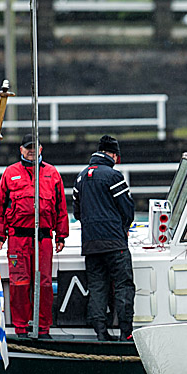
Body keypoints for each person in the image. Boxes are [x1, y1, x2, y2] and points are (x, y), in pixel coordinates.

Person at [0, 136, 68, 338]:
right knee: (19, 284)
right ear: (21, 150)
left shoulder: (52, 174)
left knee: (43, 284)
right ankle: (21, 328)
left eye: (35, 148)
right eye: (28, 148)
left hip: (43, 238)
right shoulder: (10, 173)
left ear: (41, 148)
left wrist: (61, 235)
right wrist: (0, 234)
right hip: (18, 239)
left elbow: (61, 207)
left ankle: (43, 328)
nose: (32, 151)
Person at [73, 135, 135, 341]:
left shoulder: (80, 178)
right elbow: (127, 209)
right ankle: (125, 333)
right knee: (123, 285)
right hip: (114, 242)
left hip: (90, 244)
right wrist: (123, 227)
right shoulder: (113, 176)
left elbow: (77, 213)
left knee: (97, 287)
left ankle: (101, 332)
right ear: (114, 155)